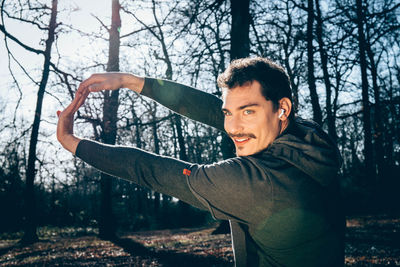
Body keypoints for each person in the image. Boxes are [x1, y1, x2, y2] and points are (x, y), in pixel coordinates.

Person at [57, 57, 344, 266]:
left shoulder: (252, 184)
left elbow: (149, 170)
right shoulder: (310, 138)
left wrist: (71, 141)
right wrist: (132, 81)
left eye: (247, 112)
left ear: (282, 109)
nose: (232, 127)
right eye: (229, 113)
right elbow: (208, 109)